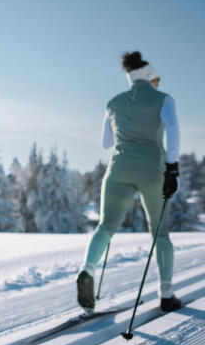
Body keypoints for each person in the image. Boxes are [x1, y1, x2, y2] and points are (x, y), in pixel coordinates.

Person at [76, 51, 181, 312]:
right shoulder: (164, 100)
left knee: (105, 227)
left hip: (118, 170)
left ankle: (87, 270)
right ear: (150, 76)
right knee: (160, 233)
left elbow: (105, 143)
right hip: (152, 170)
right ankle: (166, 295)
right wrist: (173, 168)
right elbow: (173, 130)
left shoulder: (114, 102)